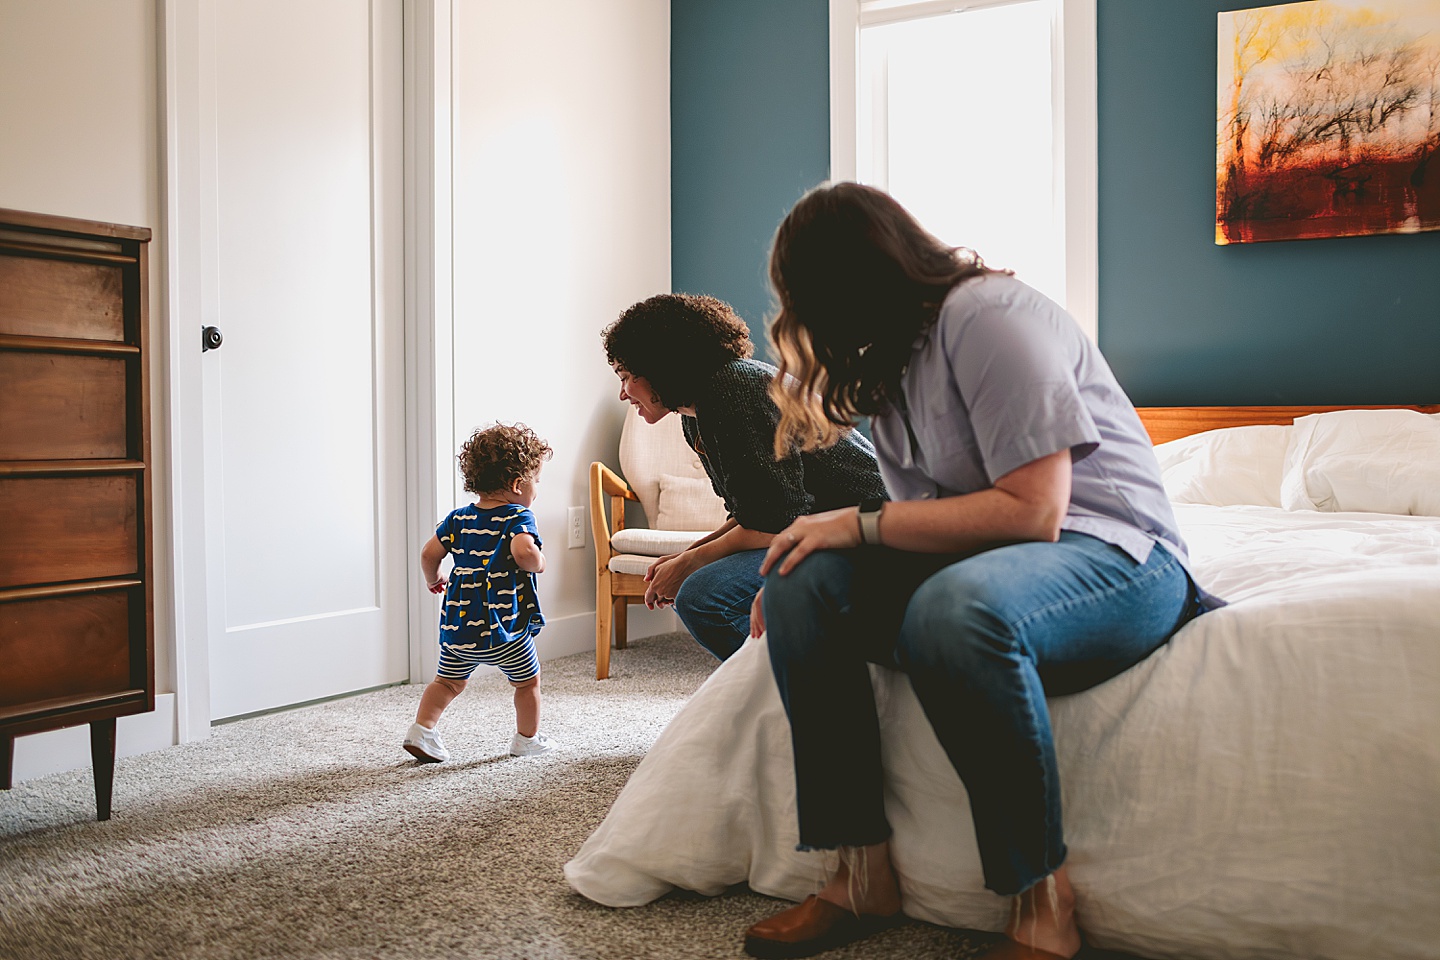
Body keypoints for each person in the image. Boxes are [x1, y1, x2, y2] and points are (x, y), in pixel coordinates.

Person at [741, 183, 1215, 960]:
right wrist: (810, 573)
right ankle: (860, 872)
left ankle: (1041, 903)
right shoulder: (887, 364)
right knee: (801, 583)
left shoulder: (989, 315)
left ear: (871, 275)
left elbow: (1033, 512)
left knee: (953, 610)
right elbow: (930, 526)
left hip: (1119, 558)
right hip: (992, 564)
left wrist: (852, 525)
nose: (815, 326)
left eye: (818, 300)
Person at [601, 293, 889, 662]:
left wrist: (691, 563)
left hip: (866, 534)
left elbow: (776, 521)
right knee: (693, 582)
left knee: (704, 597)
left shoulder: (733, 389)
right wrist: (686, 554)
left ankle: (809, 685)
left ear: (660, 364)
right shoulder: (695, 415)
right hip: (817, 528)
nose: (623, 393)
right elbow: (752, 511)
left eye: (627, 376)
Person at [403, 422, 559, 762]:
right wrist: (539, 561)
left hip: (460, 625)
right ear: (519, 484)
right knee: (527, 683)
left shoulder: (458, 519)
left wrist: (434, 579)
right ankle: (526, 739)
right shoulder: (519, 516)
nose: (536, 489)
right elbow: (523, 553)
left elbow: (429, 554)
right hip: (504, 629)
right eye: (536, 480)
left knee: (446, 682)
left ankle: (423, 730)